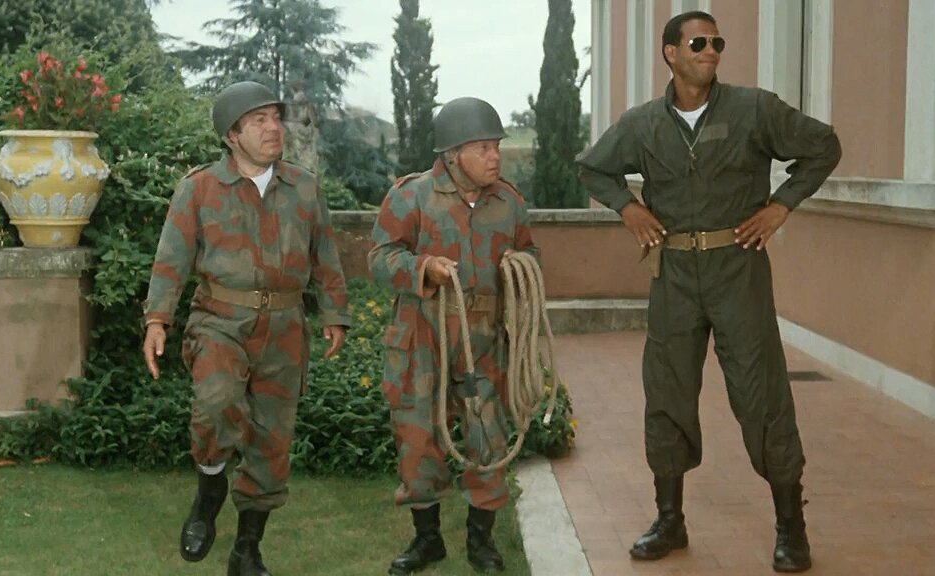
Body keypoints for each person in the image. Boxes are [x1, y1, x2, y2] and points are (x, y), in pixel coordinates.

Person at [576, 11, 841, 574]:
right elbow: (593, 168)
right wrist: (628, 207)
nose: (711, 50)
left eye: (717, 41)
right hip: (673, 274)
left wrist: (781, 205)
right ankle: (669, 520)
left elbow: (823, 146)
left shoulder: (754, 110)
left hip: (737, 269)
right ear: (670, 53)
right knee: (667, 390)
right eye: (698, 42)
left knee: (762, 392)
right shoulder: (642, 124)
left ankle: (791, 528)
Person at [141, 80, 350, 576]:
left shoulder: (304, 188)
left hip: (285, 327)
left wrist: (335, 313)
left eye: (275, 118)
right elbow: (171, 258)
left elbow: (325, 256)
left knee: (271, 440)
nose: (274, 128)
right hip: (220, 320)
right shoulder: (199, 189)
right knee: (215, 404)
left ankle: (247, 548)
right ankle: (209, 489)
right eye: (259, 121)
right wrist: (157, 319)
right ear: (231, 136)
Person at [368, 97, 539, 575]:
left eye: (496, 146)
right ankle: (427, 540)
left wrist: (521, 266)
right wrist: (423, 267)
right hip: (422, 335)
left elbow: (532, 254)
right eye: (483, 148)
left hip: (483, 340)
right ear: (452, 154)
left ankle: (481, 541)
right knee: (418, 438)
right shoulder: (412, 197)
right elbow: (379, 259)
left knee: (489, 438)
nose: (494, 156)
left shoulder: (508, 203)